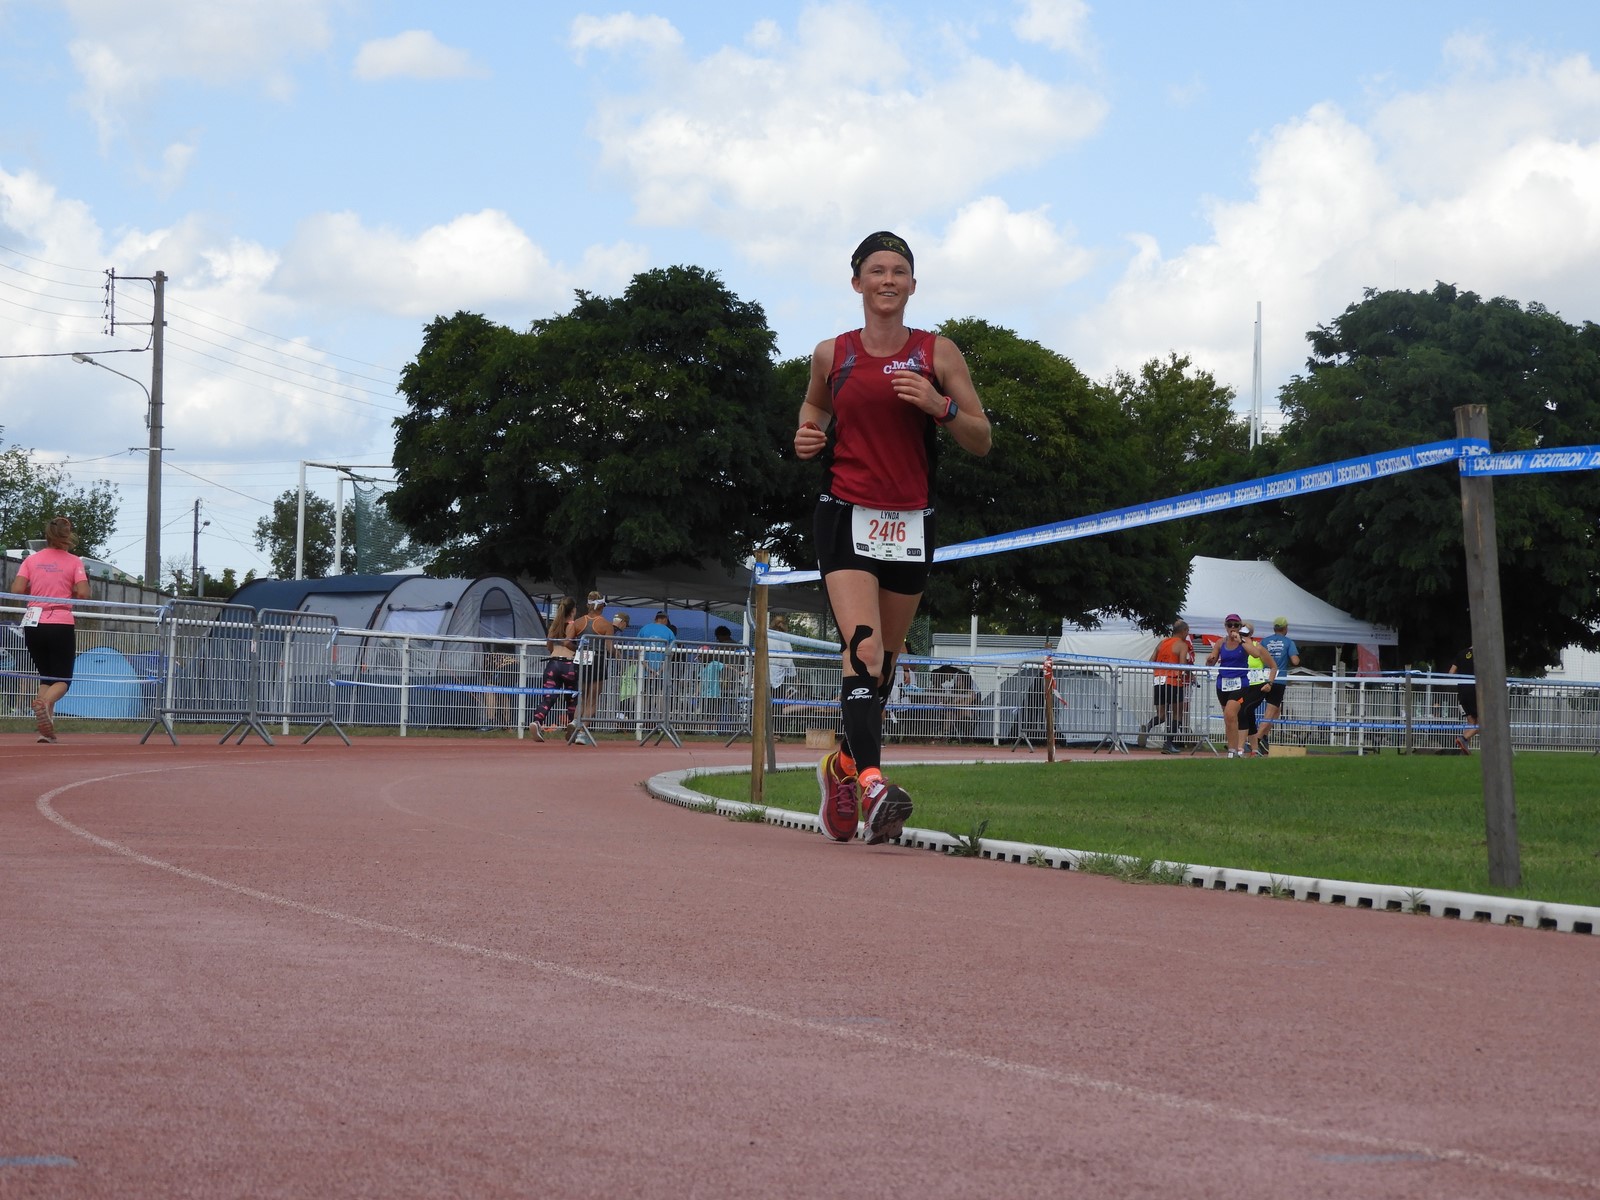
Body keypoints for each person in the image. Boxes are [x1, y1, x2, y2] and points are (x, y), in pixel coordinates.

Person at [794, 230, 991, 844]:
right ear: (857, 282)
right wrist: (807, 435)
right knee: (865, 650)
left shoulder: (938, 352)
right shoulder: (832, 353)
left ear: (912, 285)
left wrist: (940, 406)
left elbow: (981, 438)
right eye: (876, 270)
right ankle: (874, 784)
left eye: (898, 271)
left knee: (886, 664)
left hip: (909, 520)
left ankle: (840, 767)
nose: (887, 279)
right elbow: (814, 409)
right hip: (845, 511)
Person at [13, 516, 91, 743]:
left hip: (33, 622)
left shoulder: (31, 560)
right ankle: (45, 703)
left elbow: (17, 589)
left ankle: (46, 731)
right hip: (60, 621)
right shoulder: (74, 562)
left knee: (47, 677)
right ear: (67, 537)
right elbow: (84, 593)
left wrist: (38, 589)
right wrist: (67, 591)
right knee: (63, 679)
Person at [1204, 613, 1275, 759]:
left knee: (1232, 713)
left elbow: (1256, 654)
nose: (1232, 628)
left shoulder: (1245, 642)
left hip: (1241, 684)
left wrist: (1240, 640)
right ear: (1225, 626)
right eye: (1229, 625)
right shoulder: (1220, 642)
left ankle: (1235, 750)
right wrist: (1210, 660)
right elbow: (1213, 659)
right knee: (1228, 718)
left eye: (1235, 625)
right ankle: (1234, 749)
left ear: (1239, 627)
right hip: (1223, 684)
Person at [1140, 619, 1193, 754]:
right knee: (1177, 714)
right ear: (1184, 631)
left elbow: (1151, 661)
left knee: (1161, 715)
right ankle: (1168, 744)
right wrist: (1191, 674)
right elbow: (1182, 665)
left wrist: (1160, 670)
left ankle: (1148, 726)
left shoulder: (1162, 643)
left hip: (1158, 681)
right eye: (1187, 631)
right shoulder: (1182, 645)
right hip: (1174, 681)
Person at [528, 596, 579, 735]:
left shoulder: (554, 625)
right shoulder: (573, 625)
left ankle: (537, 722)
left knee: (548, 698)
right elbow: (568, 642)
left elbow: (549, 645)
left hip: (553, 664)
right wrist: (578, 649)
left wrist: (554, 652)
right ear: (573, 610)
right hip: (569, 664)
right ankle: (572, 728)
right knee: (572, 699)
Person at [565, 592, 615, 724]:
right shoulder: (606, 624)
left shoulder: (578, 622)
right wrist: (619, 655)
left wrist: (578, 649)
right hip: (597, 659)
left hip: (581, 659)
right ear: (601, 606)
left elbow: (566, 642)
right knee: (592, 700)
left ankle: (575, 723)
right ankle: (582, 730)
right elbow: (609, 647)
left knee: (582, 697)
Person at [1255, 617, 1301, 755]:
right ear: (1285, 628)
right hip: (1278, 680)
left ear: (1274, 628)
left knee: (1276, 710)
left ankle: (1264, 736)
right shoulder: (1288, 642)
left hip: (1263, 678)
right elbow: (1295, 661)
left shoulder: (1265, 641)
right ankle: (1255, 740)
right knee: (1270, 711)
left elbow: (1257, 656)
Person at [636, 610, 677, 726]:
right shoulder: (669, 631)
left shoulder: (644, 629)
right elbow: (671, 653)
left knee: (643, 695)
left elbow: (638, 649)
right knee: (659, 696)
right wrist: (660, 670)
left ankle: (641, 721)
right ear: (665, 619)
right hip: (661, 672)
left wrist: (647, 667)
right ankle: (658, 723)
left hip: (644, 671)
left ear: (655, 618)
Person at [1449, 645, 1477, 753]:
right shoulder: (1482, 654)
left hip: (1462, 691)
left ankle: (1464, 749)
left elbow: (1451, 673)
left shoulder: (1461, 653)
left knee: (1471, 722)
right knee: (1485, 722)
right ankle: (1463, 738)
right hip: (1476, 691)